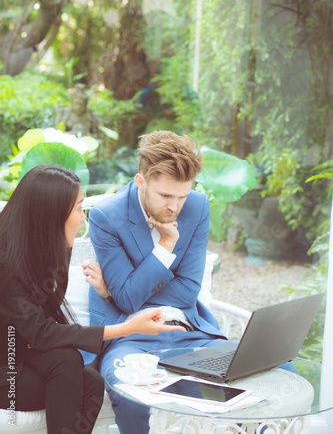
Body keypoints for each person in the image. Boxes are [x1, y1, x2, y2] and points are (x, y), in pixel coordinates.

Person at [0, 165, 185, 434]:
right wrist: (129, 327)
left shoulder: (47, 249)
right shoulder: (6, 263)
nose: (82, 219)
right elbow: (42, 333)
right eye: (77, 209)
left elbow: (41, 329)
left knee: (91, 380)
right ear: (51, 214)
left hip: (25, 353)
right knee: (68, 364)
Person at [88, 130, 229, 434]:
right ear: (141, 181)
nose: (174, 207)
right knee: (131, 392)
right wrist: (165, 246)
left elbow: (189, 291)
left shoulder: (197, 206)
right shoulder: (106, 217)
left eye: (182, 196)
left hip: (191, 332)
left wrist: (118, 290)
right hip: (131, 337)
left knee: (279, 371)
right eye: (165, 195)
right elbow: (127, 302)